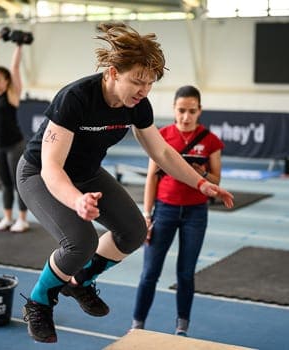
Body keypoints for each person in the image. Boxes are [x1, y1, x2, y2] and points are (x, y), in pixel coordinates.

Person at [16, 23, 233, 344]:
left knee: (133, 231)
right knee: (80, 241)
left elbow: (161, 152)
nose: (143, 90)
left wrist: (201, 184)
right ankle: (38, 303)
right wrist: (77, 201)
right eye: (137, 81)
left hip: (87, 173)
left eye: (150, 84)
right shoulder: (75, 98)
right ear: (113, 73)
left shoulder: (137, 106)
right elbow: (51, 168)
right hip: (39, 174)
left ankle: (79, 282)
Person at [131, 85, 225, 337]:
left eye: (191, 111)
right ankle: (137, 325)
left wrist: (201, 173)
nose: (185, 116)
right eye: (181, 110)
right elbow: (151, 178)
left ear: (200, 111)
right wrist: (147, 215)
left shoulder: (210, 140)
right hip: (164, 210)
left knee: (185, 273)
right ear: (174, 109)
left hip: (196, 214)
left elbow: (216, 181)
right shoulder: (161, 135)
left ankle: (182, 327)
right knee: (150, 272)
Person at [0, 31, 29, 233]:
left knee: (17, 183)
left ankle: (22, 219)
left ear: (6, 81)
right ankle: (7, 218)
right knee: (4, 183)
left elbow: (13, 68)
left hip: (14, 144)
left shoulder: (12, 95)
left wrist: (18, 46)